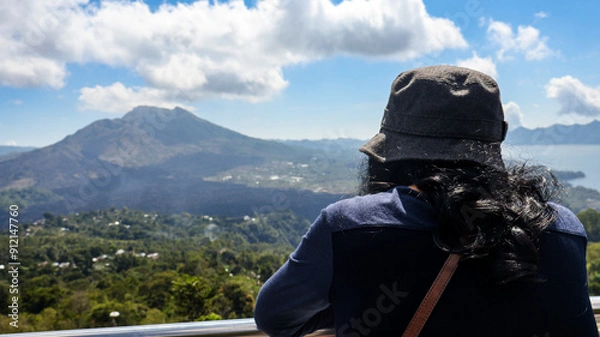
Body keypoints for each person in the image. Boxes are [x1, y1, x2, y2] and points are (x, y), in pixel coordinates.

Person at [254, 65, 598, 337]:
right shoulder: (563, 229)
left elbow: (275, 318)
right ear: (493, 143)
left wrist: (354, 299)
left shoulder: (347, 225)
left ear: (393, 151)